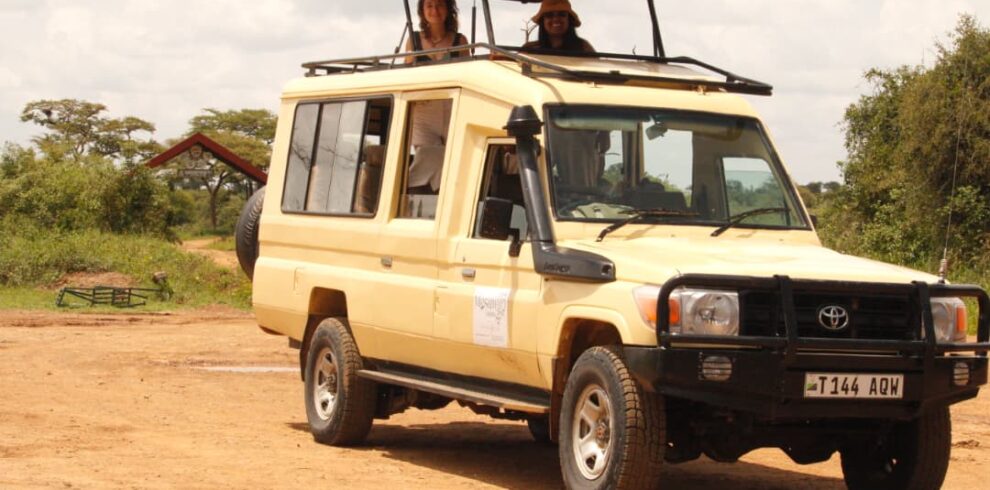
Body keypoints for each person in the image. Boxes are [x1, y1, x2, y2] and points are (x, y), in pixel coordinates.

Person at [405, 0, 469, 64]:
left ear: (447, 9)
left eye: (439, 5)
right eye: (429, 6)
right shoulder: (413, 41)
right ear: (422, 10)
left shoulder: (461, 41)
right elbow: (406, 68)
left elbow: (467, 68)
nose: (435, 10)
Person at [522, 0, 594, 53]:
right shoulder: (529, 49)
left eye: (562, 14)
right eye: (549, 15)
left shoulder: (584, 47)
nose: (556, 19)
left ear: (569, 20)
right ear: (542, 21)